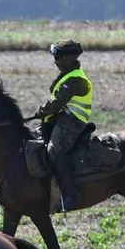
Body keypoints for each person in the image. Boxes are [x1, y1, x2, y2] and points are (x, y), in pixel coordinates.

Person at [34, 40, 93, 211]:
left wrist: (41, 111)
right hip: (61, 120)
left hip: (72, 122)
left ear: (70, 58)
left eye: (59, 57)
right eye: (55, 57)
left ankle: (72, 194)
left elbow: (56, 103)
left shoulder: (75, 79)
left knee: (54, 150)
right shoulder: (68, 74)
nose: (55, 61)